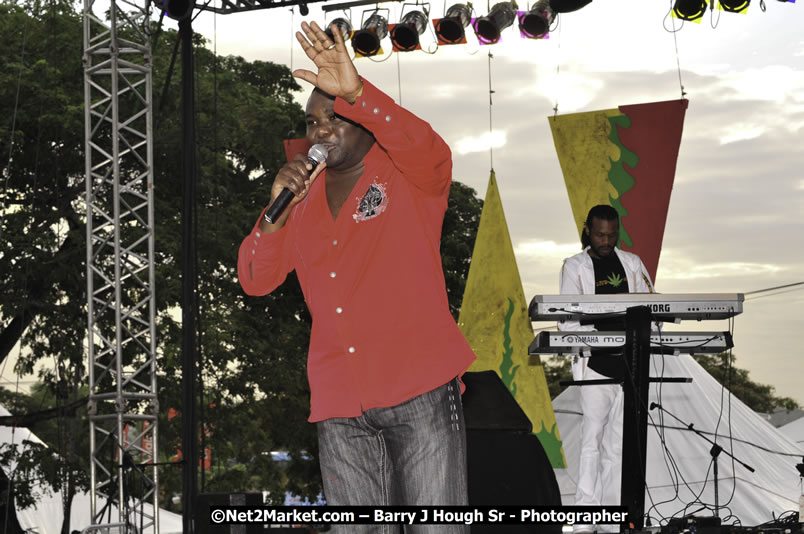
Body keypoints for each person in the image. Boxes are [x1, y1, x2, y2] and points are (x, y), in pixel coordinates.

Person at [237, 21, 476, 533]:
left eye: (335, 118)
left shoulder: (408, 176)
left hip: (418, 385)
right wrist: (274, 212)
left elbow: (430, 150)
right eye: (312, 122)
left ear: (366, 125)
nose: (321, 131)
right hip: (340, 401)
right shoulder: (300, 202)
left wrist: (358, 94)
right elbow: (256, 279)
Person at [557, 204, 656, 534]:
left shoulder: (632, 263)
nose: (606, 241)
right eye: (600, 235)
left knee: (619, 446)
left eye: (612, 235)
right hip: (596, 365)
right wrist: (599, 332)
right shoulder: (574, 266)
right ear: (588, 231)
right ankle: (585, 516)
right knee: (591, 440)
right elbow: (565, 320)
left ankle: (612, 518)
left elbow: (650, 307)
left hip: (630, 365)